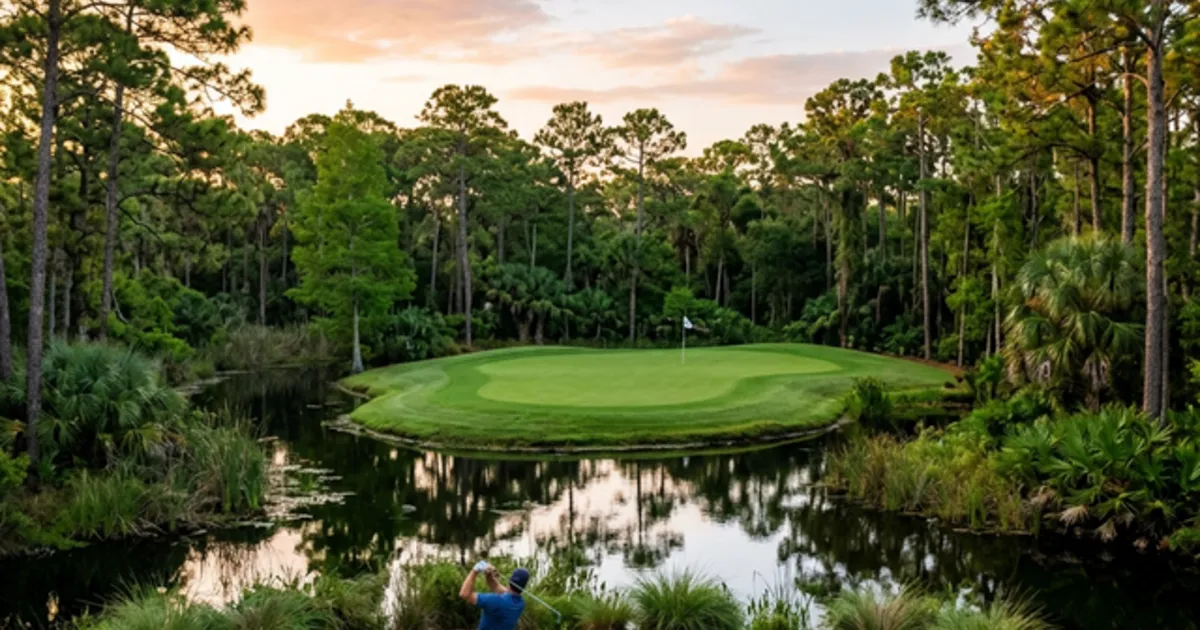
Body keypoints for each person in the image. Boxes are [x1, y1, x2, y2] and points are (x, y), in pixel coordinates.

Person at [458, 560, 529, 630]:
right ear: (524, 586)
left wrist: (474, 571)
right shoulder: (520, 603)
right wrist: (488, 574)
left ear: (510, 580)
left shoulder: (495, 601)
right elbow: (495, 586)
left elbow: (464, 594)